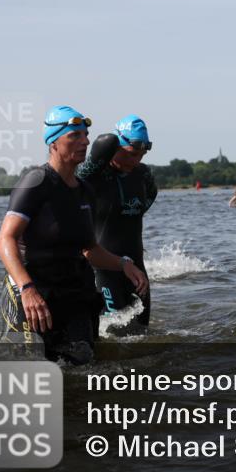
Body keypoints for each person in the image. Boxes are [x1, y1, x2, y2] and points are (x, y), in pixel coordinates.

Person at [0, 106, 148, 364]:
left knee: (83, 363)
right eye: (75, 135)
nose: (85, 141)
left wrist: (124, 264)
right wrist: (28, 289)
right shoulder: (36, 182)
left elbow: (90, 250)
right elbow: (4, 241)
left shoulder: (85, 191)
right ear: (53, 141)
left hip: (75, 290)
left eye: (86, 135)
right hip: (35, 291)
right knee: (30, 370)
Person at [77, 114, 158, 333]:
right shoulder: (94, 174)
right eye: (132, 154)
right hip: (102, 268)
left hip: (136, 267)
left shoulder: (143, 175)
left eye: (142, 154)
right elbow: (97, 152)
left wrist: (127, 214)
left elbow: (149, 197)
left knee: (142, 336)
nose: (136, 160)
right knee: (111, 333)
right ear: (116, 147)